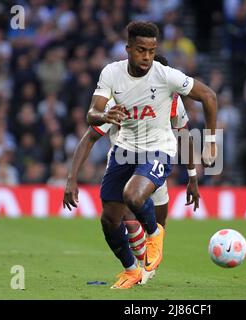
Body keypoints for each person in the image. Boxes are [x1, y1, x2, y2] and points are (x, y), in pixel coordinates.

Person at [84, 21, 217, 289]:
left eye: (152, 51)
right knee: (109, 219)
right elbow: (91, 115)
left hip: (159, 149)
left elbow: (209, 97)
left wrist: (211, 144)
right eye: (141, 50)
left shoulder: (166, 76)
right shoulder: (111, 73)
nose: (146, 57)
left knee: (133, 195)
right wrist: (104, 115)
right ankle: (132, 270)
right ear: (128, 49)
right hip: (124, 151)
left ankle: (155, 234)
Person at [63, 54, 200, 284]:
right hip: (124, 160)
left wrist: (192, 176)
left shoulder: (174, 102)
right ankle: (135, 268)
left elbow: (183, 136)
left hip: (155, 161)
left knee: (157, 223)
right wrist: (71, 177)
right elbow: (89, 138)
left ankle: (145, 263)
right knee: (123, 212)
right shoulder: (121, 101)